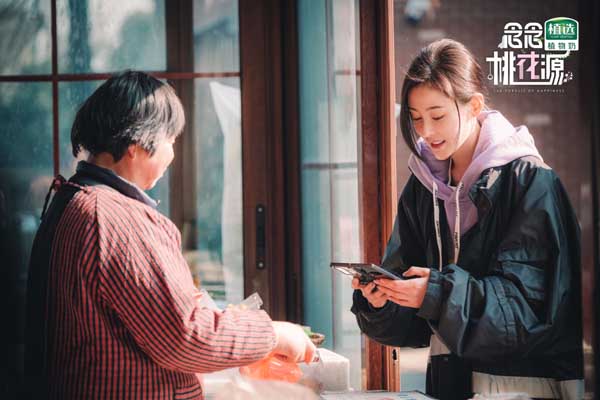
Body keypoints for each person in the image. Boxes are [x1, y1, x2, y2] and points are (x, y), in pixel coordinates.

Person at [24, 70, 315, 399]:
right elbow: (184, 335)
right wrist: (273, 334)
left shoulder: (75, 199)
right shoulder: (113, 217)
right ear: (135, 143)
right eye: (170, 141)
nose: (172, 156)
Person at [351, 39, 583, 399]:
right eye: (415, 118)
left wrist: (435, 294)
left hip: (524, 386)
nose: (426, 131)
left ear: (474, 105)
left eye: (438, 115)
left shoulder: (531, 183)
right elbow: (412, 320)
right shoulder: (422, 188)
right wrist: (383, 301)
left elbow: (528, 311)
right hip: (449, 384)